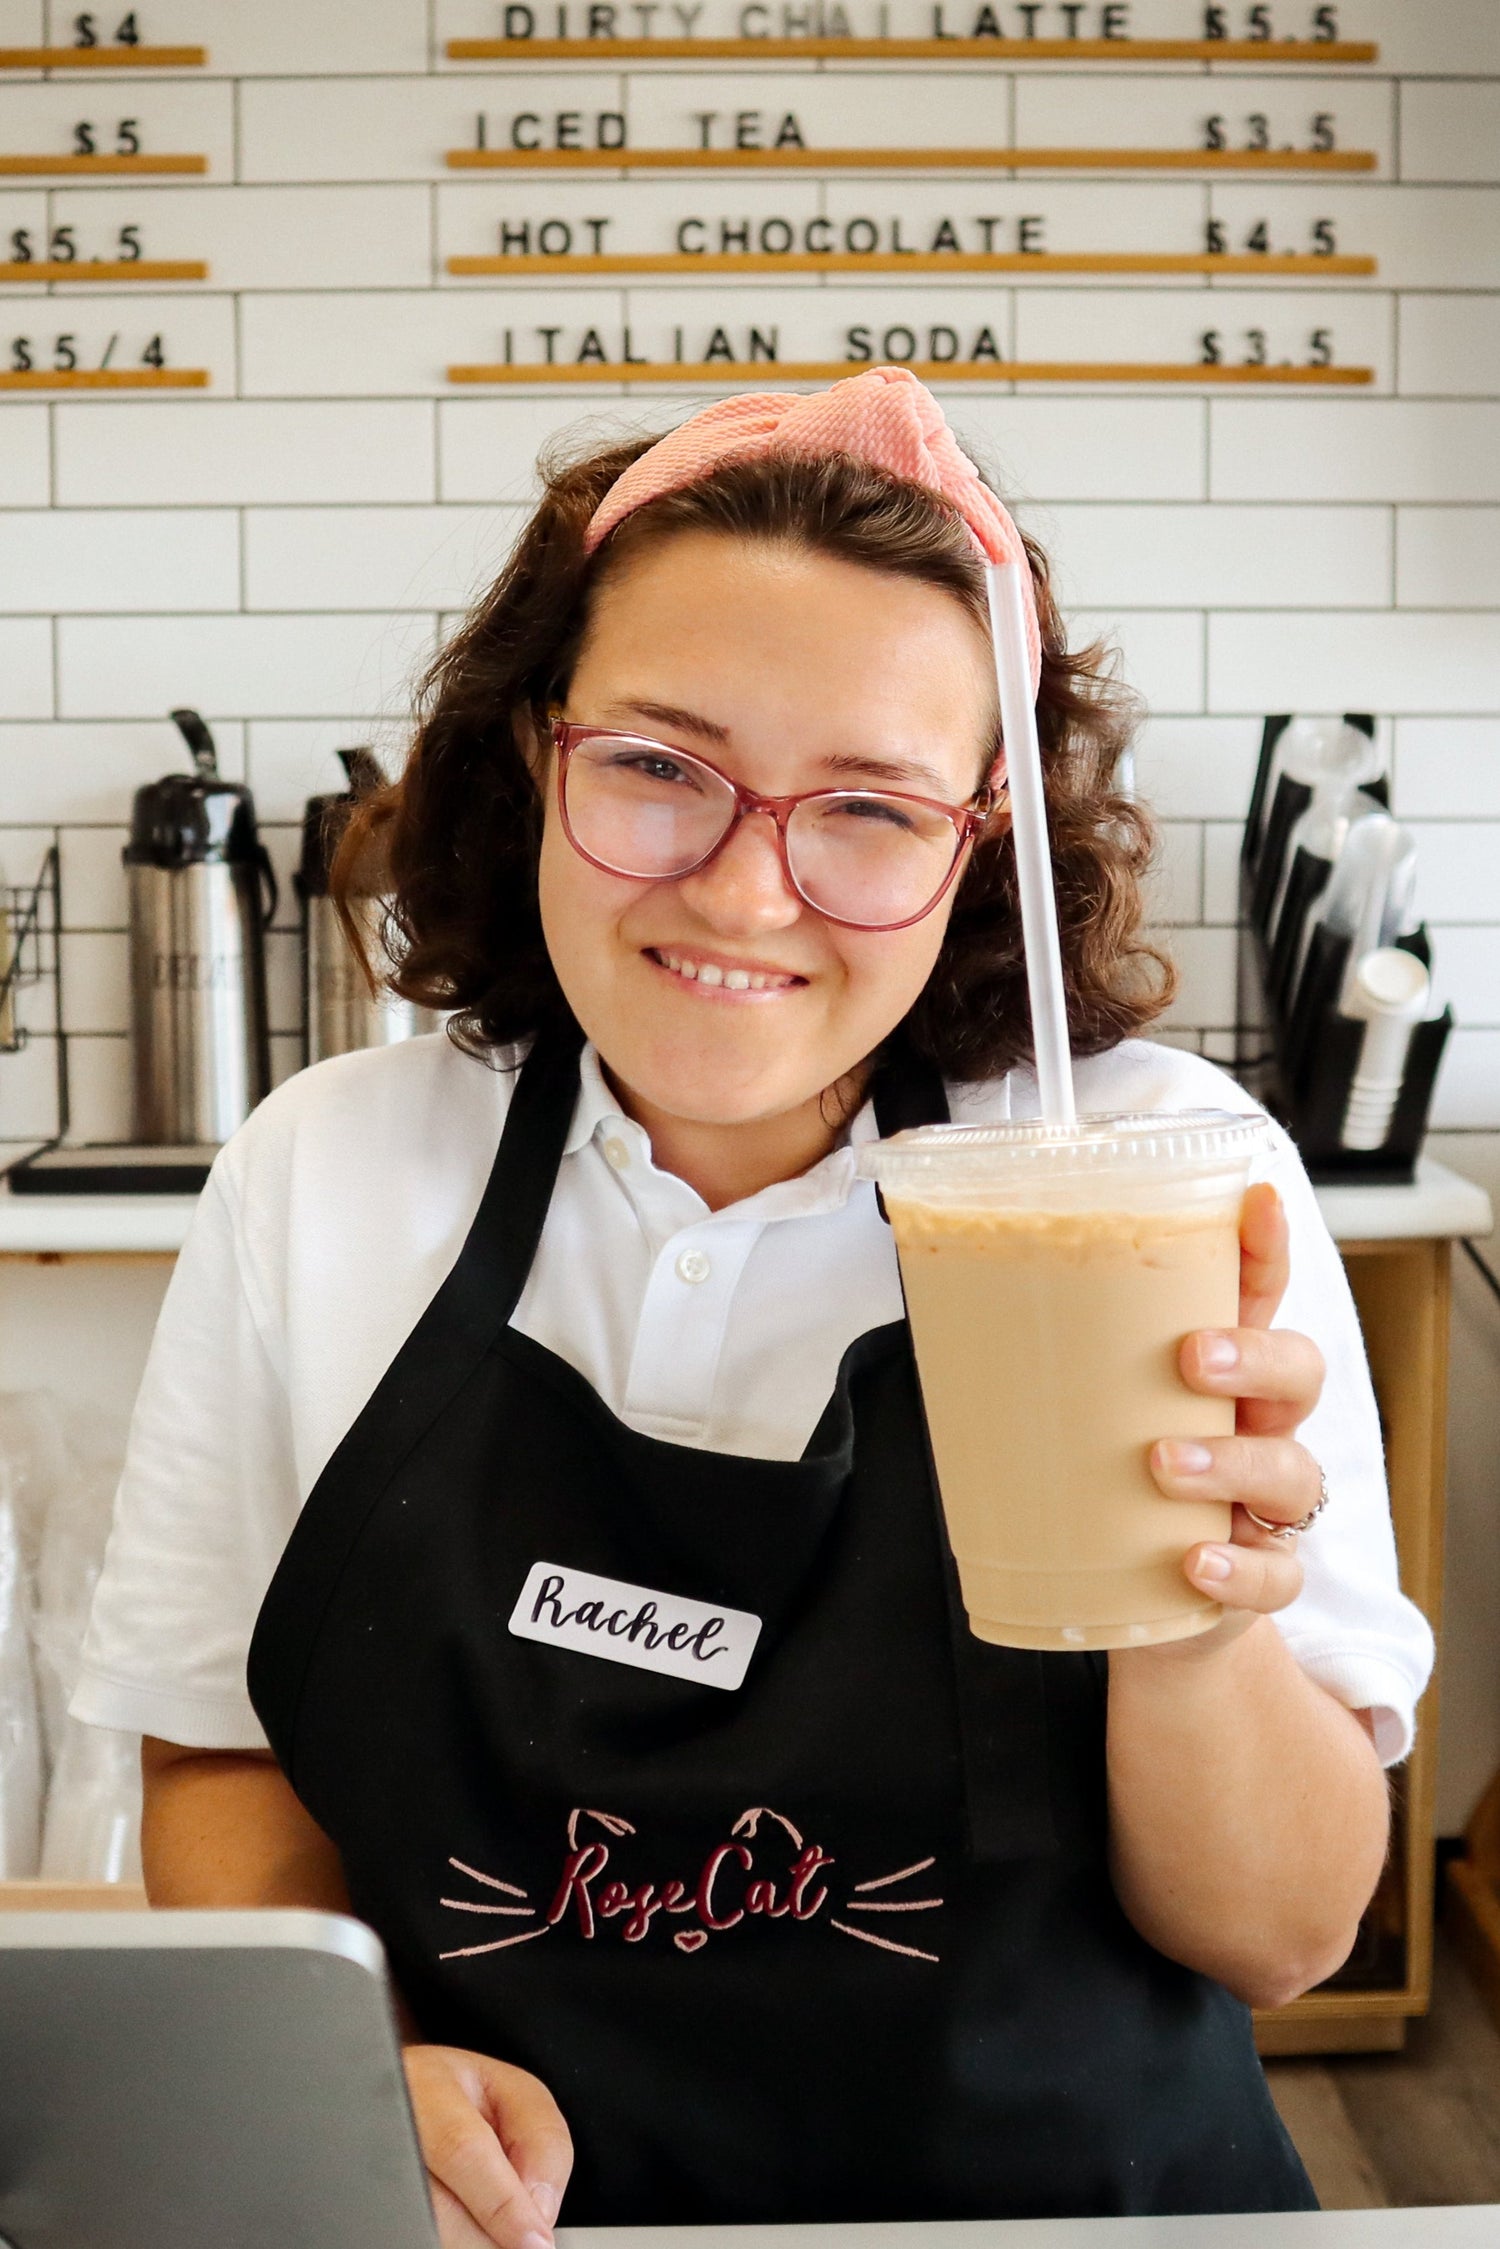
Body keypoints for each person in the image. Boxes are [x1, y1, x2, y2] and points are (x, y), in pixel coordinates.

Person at [74, 367, 1430, 2247]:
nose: (745, 887)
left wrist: (1191, 1625)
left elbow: (1283, 1935)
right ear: (533, 748)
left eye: (867, 807)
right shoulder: (329, 1174)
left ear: (981, 848)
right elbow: (216, 1751)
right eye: (658, 764)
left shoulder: (1156, 1182)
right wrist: (354, 2061)